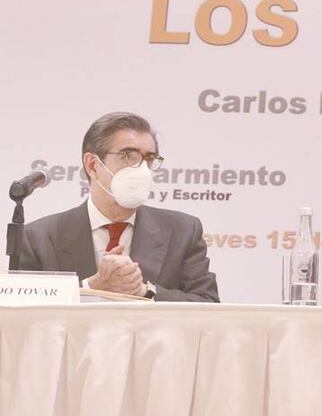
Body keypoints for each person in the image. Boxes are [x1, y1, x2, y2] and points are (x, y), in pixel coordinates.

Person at [19, 112, 219, 302]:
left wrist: (143, 291)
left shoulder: (182, 231)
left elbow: (207, 304)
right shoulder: (39, 238)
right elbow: (22, 312)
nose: (141, 169)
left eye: (148, 159)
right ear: (92, 165)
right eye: (128, 156)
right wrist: (91, 287)